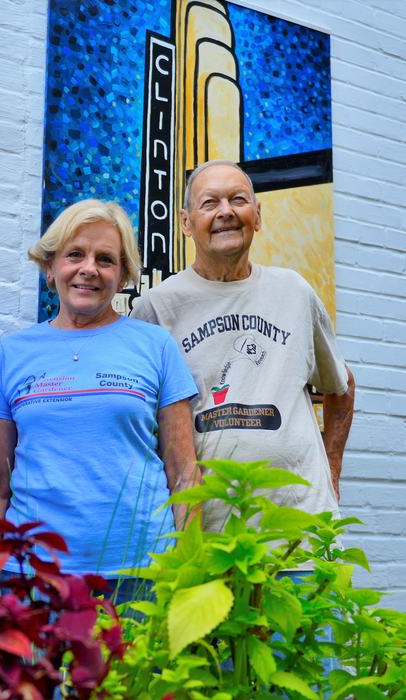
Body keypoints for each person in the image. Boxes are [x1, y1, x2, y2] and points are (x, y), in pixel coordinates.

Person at [0, 199, 199, 605]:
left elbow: (184, 474)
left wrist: (184, 573)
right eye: (74, 254)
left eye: (106, 259)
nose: (89, 268)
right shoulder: (11, 353)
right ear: (50, 266)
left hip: (142, 575)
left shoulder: (156, 346)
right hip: (32, 578)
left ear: (124, 274)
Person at [131, 159, 355, 535]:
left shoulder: (294, 292)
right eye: (210, 203)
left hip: (299, 532)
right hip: (203, 536)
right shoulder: (155, 307)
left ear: (258, 215)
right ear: (185, 223)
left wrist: (331, 474)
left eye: (238, 199)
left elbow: (341, 387)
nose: (226, 213)